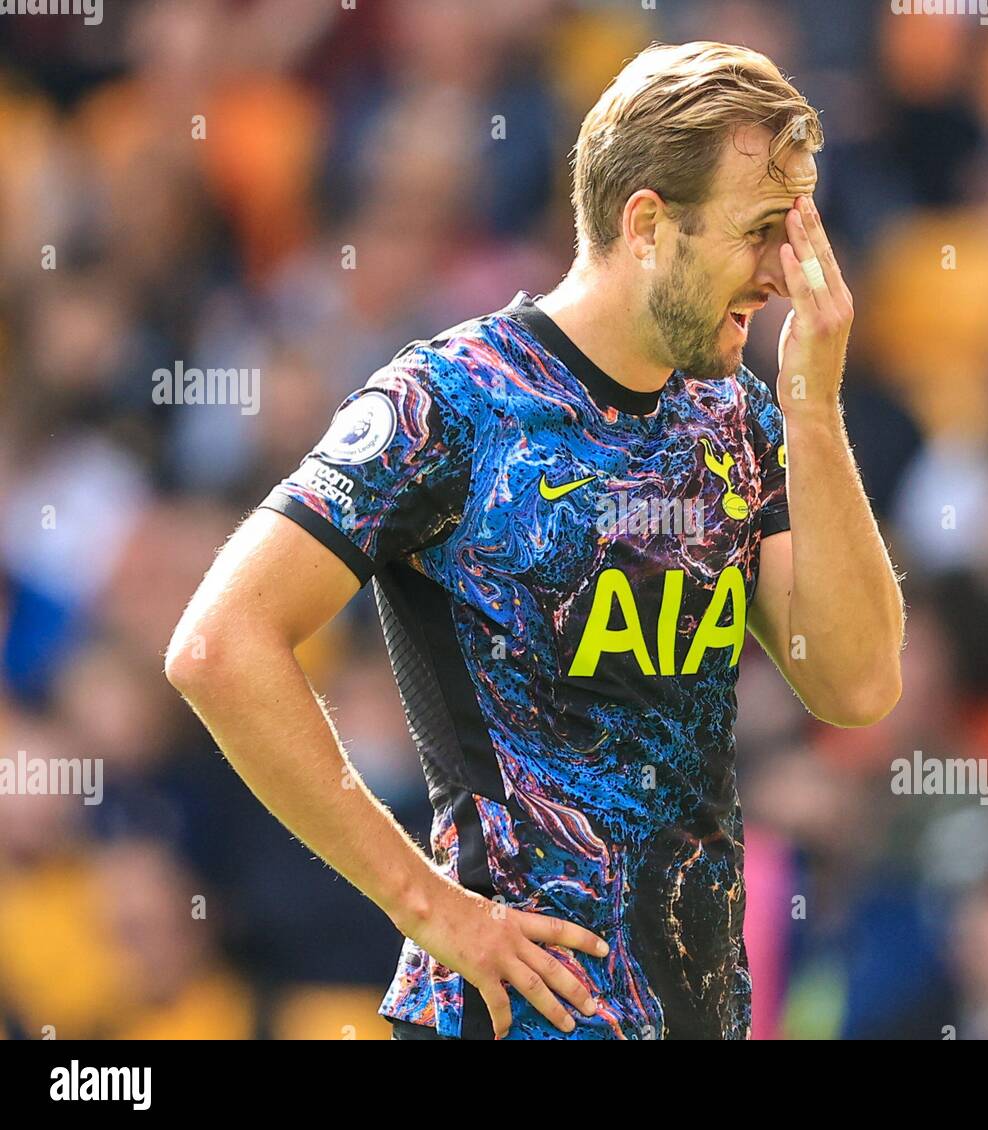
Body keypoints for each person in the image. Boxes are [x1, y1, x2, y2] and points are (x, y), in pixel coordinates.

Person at [165, 41, 904, 1040]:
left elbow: (854, 682)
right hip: (509, 1014)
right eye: (761, 231)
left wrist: (812, 410)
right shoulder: (453, 399)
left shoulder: (736, 414)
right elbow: (219, 644)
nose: (786, 271)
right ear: (646, 224)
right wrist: (427, 903)